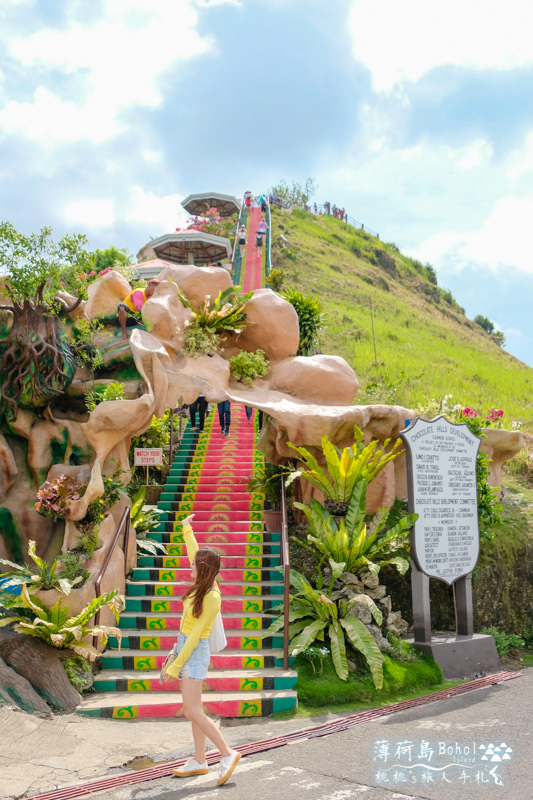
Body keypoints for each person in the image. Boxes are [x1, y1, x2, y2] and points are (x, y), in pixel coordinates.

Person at [164, 514, 241, 786]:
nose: (191, 565)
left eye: (195, 565)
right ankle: (199, 760)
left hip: (194, 652)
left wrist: (174, 666)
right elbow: (194, 552)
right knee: (193, 708)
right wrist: (187, 529)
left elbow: (196, 636)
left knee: (193, 711)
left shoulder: (211, 596)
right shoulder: (204, 585)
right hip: (187, 647)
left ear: (204, 569)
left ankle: (227, 753)